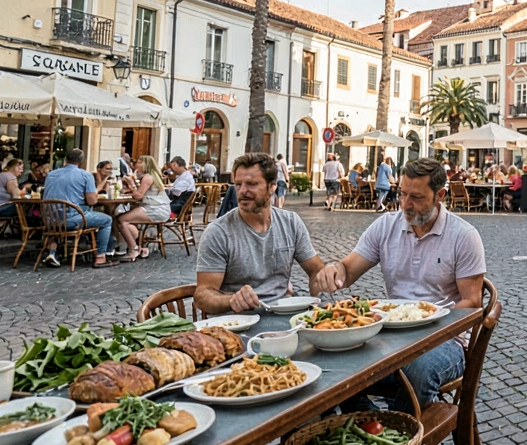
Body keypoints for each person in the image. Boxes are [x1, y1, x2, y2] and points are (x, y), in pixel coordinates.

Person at [312, 158, 486, 413]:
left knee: (418, 368)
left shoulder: (463, 235)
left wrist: (433, 326)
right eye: (402, 193)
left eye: (416, 197)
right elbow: (348, 270)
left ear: (440, 195)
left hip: (446, 341)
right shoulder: (386, 226)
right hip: (392, 335)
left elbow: (472, 302)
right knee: (332, 359)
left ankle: (401, 439)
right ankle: (366, 421)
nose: (405, 204)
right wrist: (334, 269)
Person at [195, 153, 325, 314]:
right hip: (237, 325)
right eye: (238, 184)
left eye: (251, 184)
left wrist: (320, 310)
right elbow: (203, 296)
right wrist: (231, 300)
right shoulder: (218, 232)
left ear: (272, 186)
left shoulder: (291, 222)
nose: (242, 191)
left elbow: (317, 271)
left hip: (284, 316)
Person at [39, 149, 115, 269]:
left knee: (62, 219)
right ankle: (101, 257)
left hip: (50, 220)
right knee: (107, 220)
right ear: (81, 161)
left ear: (66, 159)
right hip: (72, 220)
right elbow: (92, 201)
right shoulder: (85, 175)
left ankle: (53, 252)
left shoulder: (51, 174)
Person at [112, 155, 171, 263]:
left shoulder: (147, 177)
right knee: (121, 220)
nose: (136, 164)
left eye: (139, 162)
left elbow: (138, 196)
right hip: (158, 208)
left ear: (145, 164)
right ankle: (137, 245)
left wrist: (130, 184)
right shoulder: (152, 176)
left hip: (155, 210)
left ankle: (133, 248)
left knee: (121, 220)